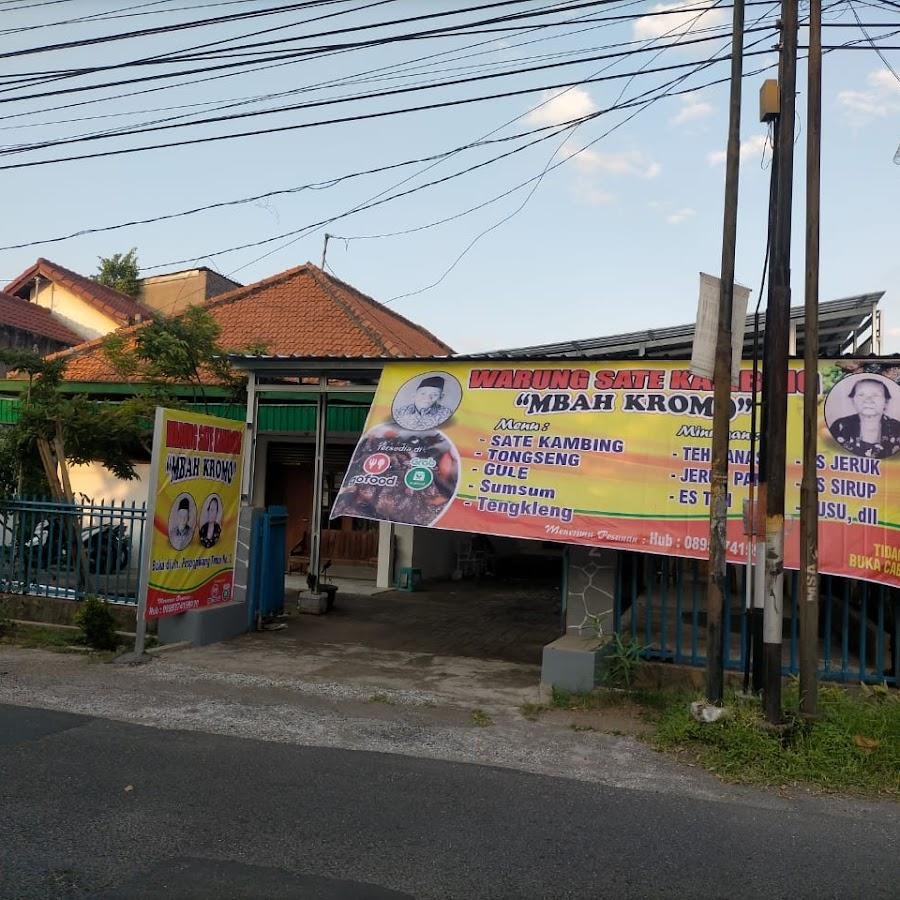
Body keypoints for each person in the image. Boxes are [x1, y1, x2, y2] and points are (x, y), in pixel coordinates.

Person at [829, 377, 900, 459]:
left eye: (875, 395)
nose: (868, 400)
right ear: (853, 401)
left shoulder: (897, 428)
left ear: (886, 402)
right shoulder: (840, 426)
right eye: (861, 395)